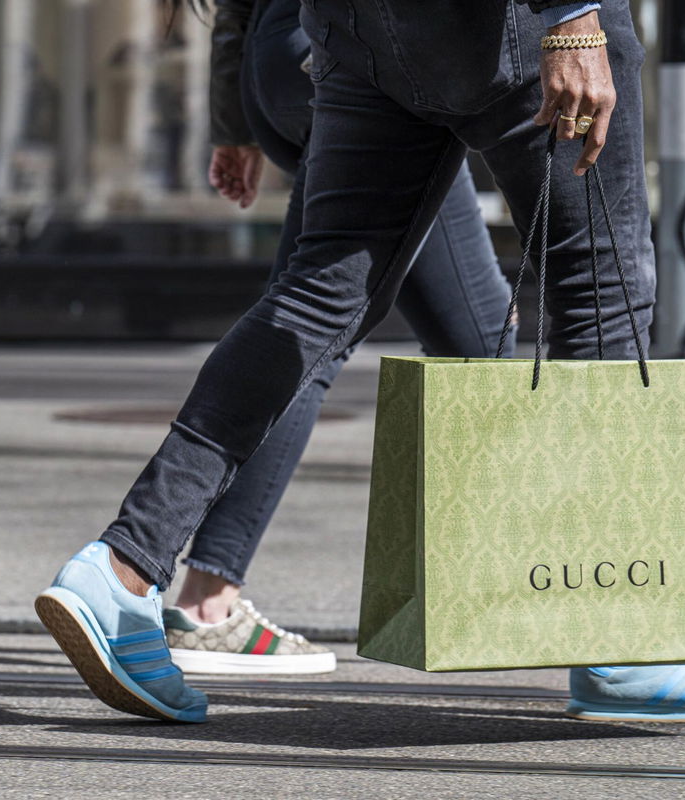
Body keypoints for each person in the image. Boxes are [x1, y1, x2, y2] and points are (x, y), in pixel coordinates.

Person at [35, 0, 685, 725]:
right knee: (599, 286)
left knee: (319, 296)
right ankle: (629, 646)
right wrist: (572, 14)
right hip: (504, 22)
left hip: (358, 31)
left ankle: (125, 566)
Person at [163, 0, 515, 676]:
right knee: (465, 346)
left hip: (285, 62)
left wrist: (236, 122)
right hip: (368, 55)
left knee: (323, 319)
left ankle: (205, 598)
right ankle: (208, 603)